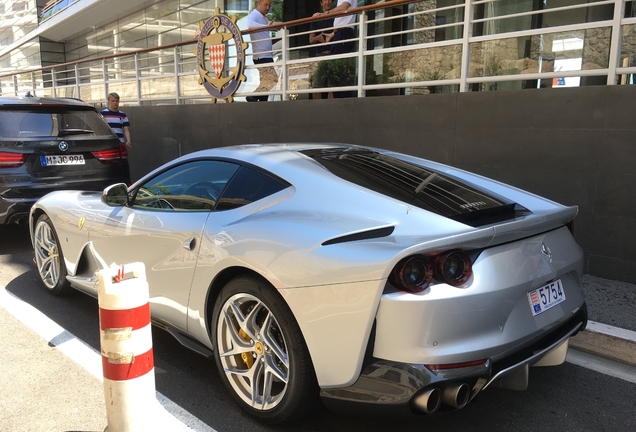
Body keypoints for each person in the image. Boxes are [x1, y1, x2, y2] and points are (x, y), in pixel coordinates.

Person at [247, 0, 278, 102]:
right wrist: (268, 27)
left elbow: (262, 29)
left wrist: (270, 28)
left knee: (266, 81)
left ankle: (262, 102)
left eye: (269, 5)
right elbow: (250, 25)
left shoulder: (263, 18)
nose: (268, 7)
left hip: (266, 55)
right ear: (259, 2)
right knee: (272, 79)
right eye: (266, 5)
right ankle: (253, 97)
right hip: (261, 55)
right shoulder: (254, 15)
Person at [309, 0, 335, 99]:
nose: (327, 2)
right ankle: (316, 110)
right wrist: (318, 37)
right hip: (320, 54)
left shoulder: (335, 15)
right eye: (325, 0)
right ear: (321, 3)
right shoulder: (316, 18)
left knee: (332, 85)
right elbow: (311, 39)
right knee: (316, 84)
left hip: (333, 53)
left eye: (329, 0)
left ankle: (331, 110)